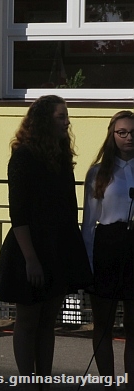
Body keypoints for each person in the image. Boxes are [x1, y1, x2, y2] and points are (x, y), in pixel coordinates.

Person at [0, 95, 91, 387]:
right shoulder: (23, 156)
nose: (67, 121)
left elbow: (69, 206)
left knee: (49, 321)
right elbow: (18, 213)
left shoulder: (60, 153)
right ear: (45, 119)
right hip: (30, 247)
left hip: (59, 245)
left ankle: (44, 379)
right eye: (61, 116)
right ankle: (27, 380)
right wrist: (31, 258)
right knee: (29, 319)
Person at [82, 110, 134, 387]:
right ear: (112, 136)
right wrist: (88, 264)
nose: (128, 138)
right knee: (103, 324)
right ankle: (107, 382)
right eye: (122, 132)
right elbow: (89, 224)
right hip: (107, 248)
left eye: (132, 133)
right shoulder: (98, 172)